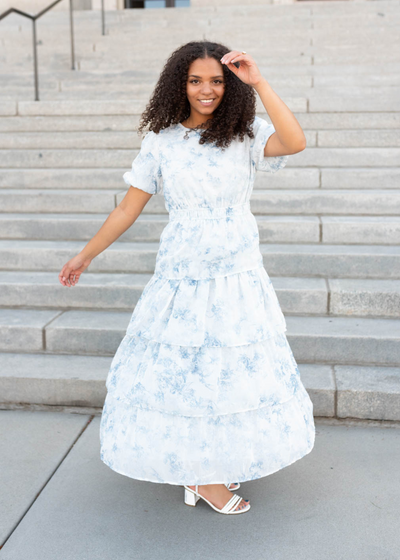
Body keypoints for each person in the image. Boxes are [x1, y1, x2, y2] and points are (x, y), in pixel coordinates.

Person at [58, 40, 315, 515]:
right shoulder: (161, 141)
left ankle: (208, 466)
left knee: (228, 373)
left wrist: (258, 81)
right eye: (196, 80)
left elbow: (296, 141)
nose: (206, 90)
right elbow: (128, 208)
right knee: (189, 374)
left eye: (217, 80)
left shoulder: (244, 134)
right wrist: (86, 254)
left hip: (237, 275)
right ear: (180, 83)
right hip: (184, 276)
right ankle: (202, 476)